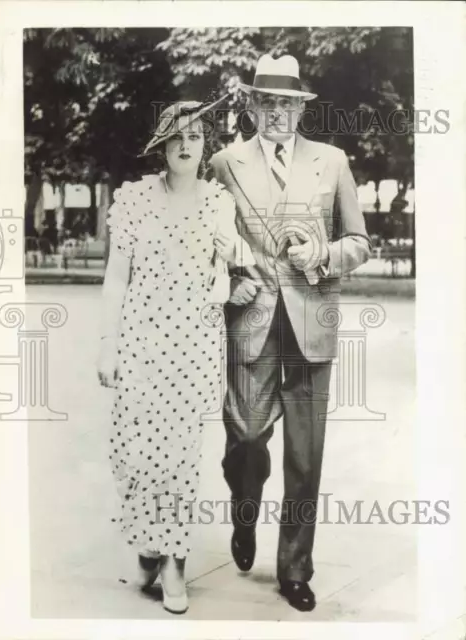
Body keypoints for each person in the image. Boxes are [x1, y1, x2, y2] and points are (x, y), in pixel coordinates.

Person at [209, 54, 372, 612]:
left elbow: (361, 242)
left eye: (287, 103)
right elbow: (211, 240)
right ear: (252, 106)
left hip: (312, 319)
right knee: (248, 439)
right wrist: (230, 280)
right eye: (267, 101)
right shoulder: (225, 163)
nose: (277, 111)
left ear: (300, 109)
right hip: (251, 317)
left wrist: (321, 253)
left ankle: (296, 569)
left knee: (305, 455)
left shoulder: (333, 161)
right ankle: (245, 507)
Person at [97, 98, 254, 615]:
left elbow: (232, 255)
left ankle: (174, 563)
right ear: (161, 146)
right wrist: (107, 346)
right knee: (133, 455)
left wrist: (232, 266)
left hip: (194, 347)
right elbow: (117, 279)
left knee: (181, 459)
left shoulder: (217, 203)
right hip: (140, 345)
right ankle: (147, 543)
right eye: (176, 137)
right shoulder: (134, 199)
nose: (186, 145)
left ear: (205, 145)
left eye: (195, 137)